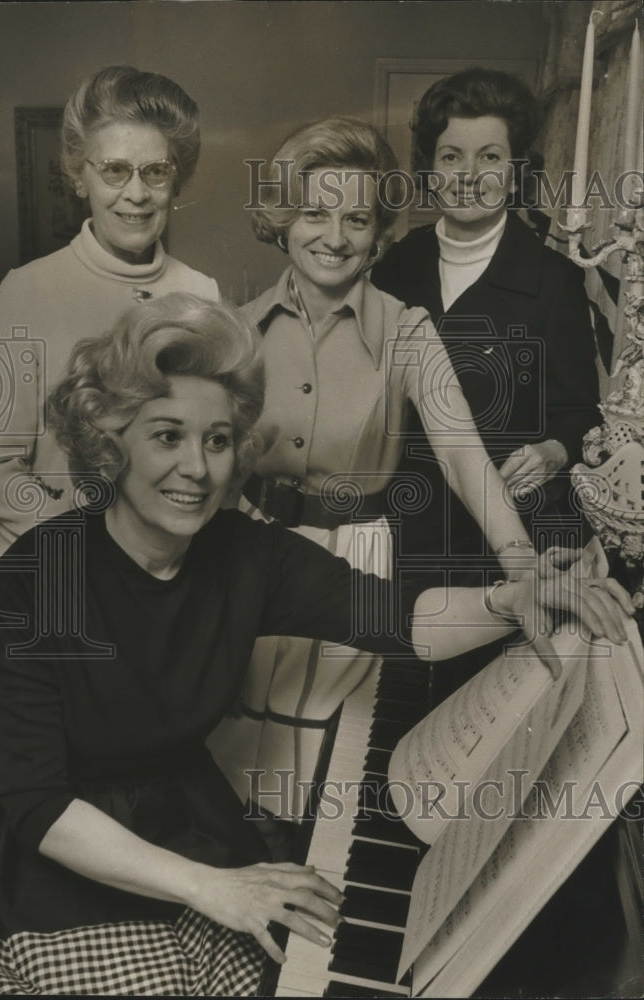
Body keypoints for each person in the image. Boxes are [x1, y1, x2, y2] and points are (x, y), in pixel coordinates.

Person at [0, 292, 633, 997]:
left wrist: (509, 598)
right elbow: (38, 804)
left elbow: (396, 617)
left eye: (217, 440)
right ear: (113, 443)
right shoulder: (36, 579)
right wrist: (212, 887)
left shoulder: (248, 555)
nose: (196, 468)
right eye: (167, 436)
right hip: (49, 845)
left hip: (177, 812)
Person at [208, 116, 562, 818]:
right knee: (227, 743)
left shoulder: (408, 329)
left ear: (378, 236)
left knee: (320, 770)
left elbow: (462, 455)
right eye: (314, 212)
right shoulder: (235, 329)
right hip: (247, 548)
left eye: (357, 218)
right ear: (284, 219)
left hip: (355, 555)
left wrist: (521, 565)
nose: (334, 236)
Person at [0, 64, 218, 555]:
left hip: (166, 573)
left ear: (177, 179)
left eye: (156, 171)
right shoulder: (28, 290)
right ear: (79, 177)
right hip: (57, 566)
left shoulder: (202, 293)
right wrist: (85, 552)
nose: (137, 193)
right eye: (114, 170)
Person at [371, 66, 601, 561]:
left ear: (517, 170)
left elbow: (582, 414)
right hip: (402, 530)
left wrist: (553, 451)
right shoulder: (394, 267)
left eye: (490, 157)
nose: (469, 176)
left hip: (507, 540)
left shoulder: (554, 280)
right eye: (452, 156)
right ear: (430, 168)